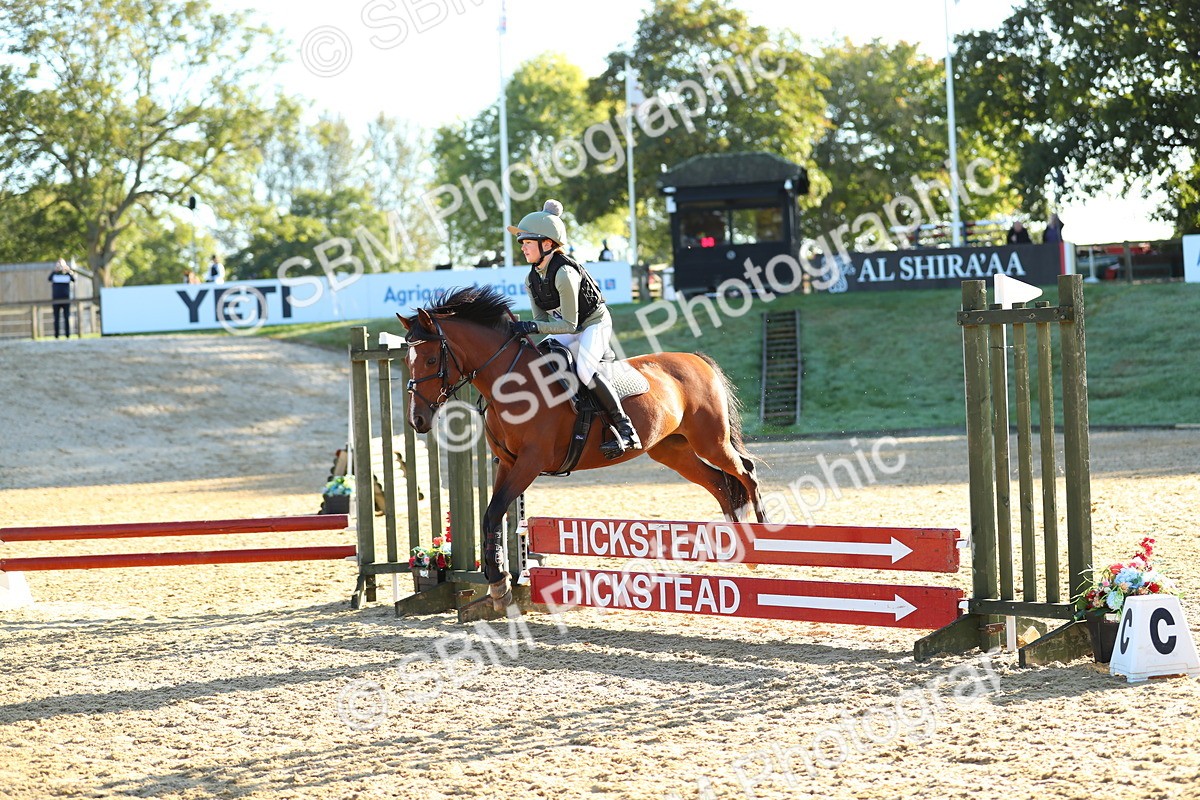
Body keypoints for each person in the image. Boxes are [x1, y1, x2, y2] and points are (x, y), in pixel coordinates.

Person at [507, 199, 642, 457]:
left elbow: (569, 324)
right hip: (568, 327)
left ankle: (626, 429)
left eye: (527, 242)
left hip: (593, 324)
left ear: (547, 244)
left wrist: (531, 326)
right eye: (521, 243)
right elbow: (545, 323)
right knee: (539, 361)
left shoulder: (564, 273)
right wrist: (523, 331)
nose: (523, 248)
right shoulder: (531, 278)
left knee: (585, 369)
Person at [47, 258, 75, 339]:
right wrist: (55, 271)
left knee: (67, 317)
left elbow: (73, 279)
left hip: (66, 299)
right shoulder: (54, 274)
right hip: (56, 300)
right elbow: (49, 279)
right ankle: (56, 335)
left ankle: (67, 335)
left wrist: (68, 270)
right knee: (56, 318)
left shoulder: (67, 274)